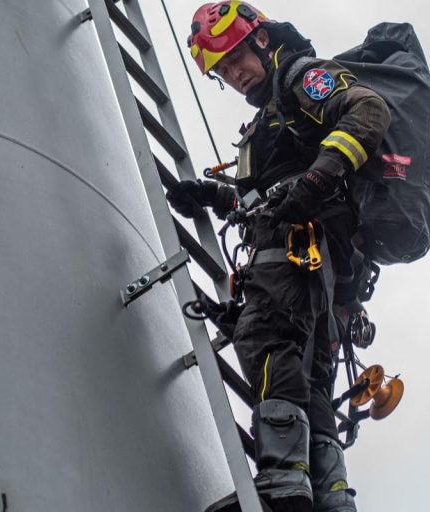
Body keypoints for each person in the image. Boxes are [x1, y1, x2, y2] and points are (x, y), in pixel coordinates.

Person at [167, 3, 391, 511]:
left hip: (299, 248)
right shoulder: (271, 118)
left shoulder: (300, 78)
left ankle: (284, 481)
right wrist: (212, 195)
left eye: (236, 58)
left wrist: (316, 181)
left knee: (267, 338)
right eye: (223, 70)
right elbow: (266, 197)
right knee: (310, 378)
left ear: (262, 41)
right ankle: (332, 497)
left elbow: (369, 111)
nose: (235, 74)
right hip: (315, 261)